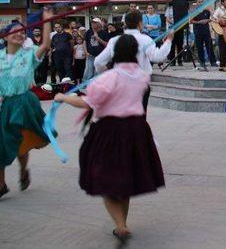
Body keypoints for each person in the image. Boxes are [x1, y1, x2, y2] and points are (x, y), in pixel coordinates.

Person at [54, 35, 164, 243]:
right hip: (137, 130)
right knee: (126, 177)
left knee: (104, 178)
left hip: (110, 131)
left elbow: (88, 103)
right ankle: (122, 223)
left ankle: (120, 225)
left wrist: (63, 98)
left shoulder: (108, 78)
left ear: (114, 53)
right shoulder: (141, 76)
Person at [0, 8, 54, 199]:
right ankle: (1, 184)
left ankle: (23, 171)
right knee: (2, 144)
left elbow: (46, 43)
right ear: (5, 36)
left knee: (21, 143)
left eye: (23, 32)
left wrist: (46, 20)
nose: (21, 34)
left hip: (24, 103)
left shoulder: (28, 55)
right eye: (16, 32)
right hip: (4, 105)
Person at [95, 10, 172, 112]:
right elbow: (158, 57)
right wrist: (169, 41)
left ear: (125, 23)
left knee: (121, 116)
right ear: (140, 24)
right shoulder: (145, 40)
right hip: (140, 85)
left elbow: (98, 62)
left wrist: (106, 72)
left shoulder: (115, 40)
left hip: (120, 85)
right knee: (139, 119)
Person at [190, 0, 216, 71]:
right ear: (196, 3)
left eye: (202, 2)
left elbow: (212, 18)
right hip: (198, 31)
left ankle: (213, 61)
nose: (201, 3)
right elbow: (190, 21)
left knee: (209, 46)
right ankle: (202, 62)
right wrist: (199, 22)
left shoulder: (206, 11)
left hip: (206, 31)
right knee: (199, 47)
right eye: (199, 2)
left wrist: (208, 19)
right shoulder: (194, 11)